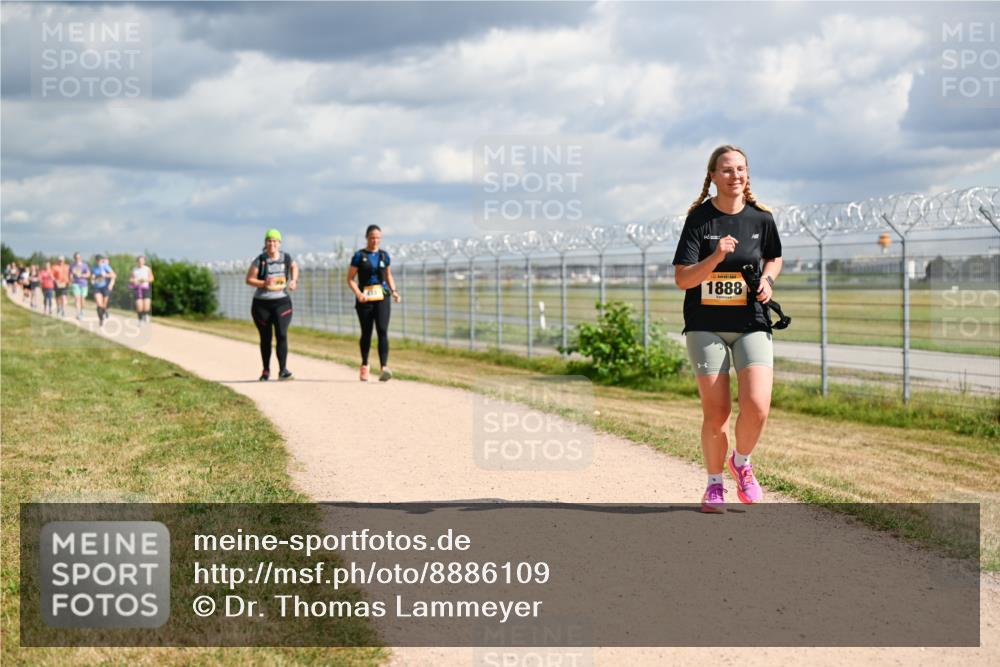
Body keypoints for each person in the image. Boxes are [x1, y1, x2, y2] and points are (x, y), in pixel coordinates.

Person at [671, 144, 783, 513]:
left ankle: (742, 462)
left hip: (751, 321)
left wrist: (767, 279)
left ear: (746, 175)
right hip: (706, 325)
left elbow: (774, 257)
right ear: (713, 177)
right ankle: (714, 484)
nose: (735, 175)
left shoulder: (761, 219)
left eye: (741, 169)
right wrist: (716, 256)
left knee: (757, 406)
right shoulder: (699, 220)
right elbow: (683, 279)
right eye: (727, 169)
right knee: (716, 413)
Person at [347, 225, 401, 382]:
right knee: (367, 332)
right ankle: (365, 365)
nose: (375, 240)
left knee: (383, 330)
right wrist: (358, 293)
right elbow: (350, 279)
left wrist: (394, 290)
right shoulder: (359, 256)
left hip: (382, 296)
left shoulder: (384, 256)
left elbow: (388, 275)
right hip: (365, 299)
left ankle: (384, 367)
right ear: (367, 238)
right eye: (372, 237)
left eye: (378, 237)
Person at [245, 229, 298, 381]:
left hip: (282, 302)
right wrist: (263, 283)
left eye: (275, 241)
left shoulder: (286, 258)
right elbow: (249, 279)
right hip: (262, 304)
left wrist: (293, 280)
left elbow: (294, 267)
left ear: (279, 243)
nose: (272, 243)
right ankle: (266, 370)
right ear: (265, 243)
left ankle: (283, 370)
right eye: (269, 240)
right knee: (265, 337)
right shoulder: (260, 260)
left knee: (281, 334)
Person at [90, 255, 117, 326]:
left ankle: (104, 312)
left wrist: (106, 275)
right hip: (97, 287)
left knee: (104, 305)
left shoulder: (105, 266)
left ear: (101, 260)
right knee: (99, 304)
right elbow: (92, 276)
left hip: (105, 287)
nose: (99, 262)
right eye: (97, 260)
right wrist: (92, 279)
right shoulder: (94, 267)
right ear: (95, 260)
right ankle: (101, 319)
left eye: (100, 260)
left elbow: (113, 275)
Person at [129, 256, 155, 322]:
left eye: (142, 261)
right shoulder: (134, 269)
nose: (140, 262)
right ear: (137, 261)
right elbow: (130, 279)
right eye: (139, 261)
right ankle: (140, 319)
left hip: (145, 288)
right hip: (137, 289)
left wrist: (145, 280)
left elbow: (152, 278)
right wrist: (133, 280)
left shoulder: (147, 269)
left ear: (144, 261)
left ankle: (146, 316)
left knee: (146, 305)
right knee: (139, 306)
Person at [69, 252, 90, 320]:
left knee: (82, 299)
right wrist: (71, 278)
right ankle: (78, 313)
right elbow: (70, 274)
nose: (77, 259)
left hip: (83, 283)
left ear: (80, 258)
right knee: (76, 298)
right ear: (74, 258)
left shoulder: (84, 265)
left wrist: (82, 275)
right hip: (75, 283)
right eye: (76, 258)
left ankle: (82, 312)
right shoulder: (72, 265)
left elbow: (88, 274)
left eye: (78, 257)